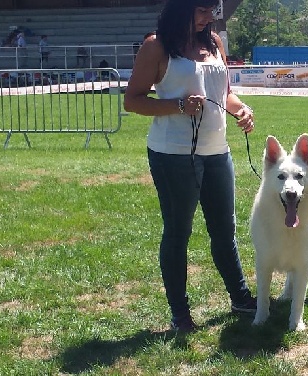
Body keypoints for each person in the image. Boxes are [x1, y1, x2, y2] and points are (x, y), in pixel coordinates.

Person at [123, 0, 257, 333]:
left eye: (211, 12)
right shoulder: (156, 46)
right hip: (172, 155)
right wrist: (178, 105)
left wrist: (242, 110)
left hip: (217, 152)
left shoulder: (215, 43)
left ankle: (241, 298)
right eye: (200, 11)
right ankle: (180, 314)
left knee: (225, 232)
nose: (207, 18)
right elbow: (132, 100)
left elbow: (225, 94)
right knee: (178, 232)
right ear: (181, 8)